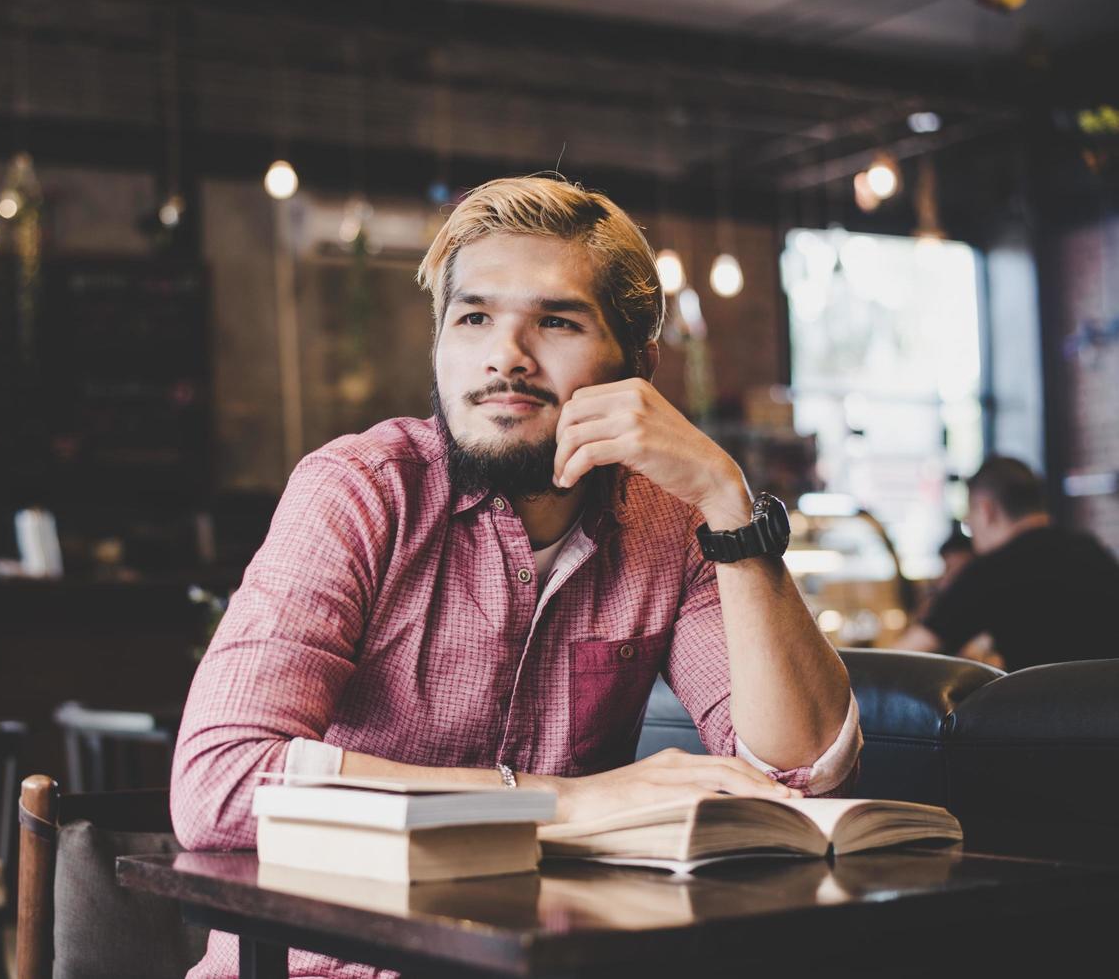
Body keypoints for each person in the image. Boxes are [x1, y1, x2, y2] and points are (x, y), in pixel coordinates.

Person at [171, 177, 861, 978]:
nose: (505, 355)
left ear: (635, 365)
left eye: (557, 321)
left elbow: (798, 775)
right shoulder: (360, 491)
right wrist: (554, 800)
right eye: (473, 318)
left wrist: (723, 497)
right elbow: (217, 783)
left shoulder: (670, 524)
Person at [899, 456, 1119, 671]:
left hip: (1044, 705)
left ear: (986, 511)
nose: (971, 528)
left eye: (970, 517)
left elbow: (904, 656)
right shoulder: (1091, 550)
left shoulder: (990, 571)